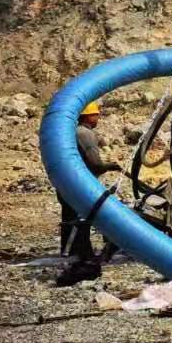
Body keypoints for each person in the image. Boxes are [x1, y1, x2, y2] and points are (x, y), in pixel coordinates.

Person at [55, 100, 122, 287]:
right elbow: (96, 164)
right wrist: (111, 166)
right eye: (96, 114)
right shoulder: (85, 134)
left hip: (67, 185)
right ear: (88, 116)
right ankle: (83, 259)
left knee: (71, 221)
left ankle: (74, 257)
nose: (98, 117)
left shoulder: (71, 132)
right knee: (84, 222)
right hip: (79, 188)